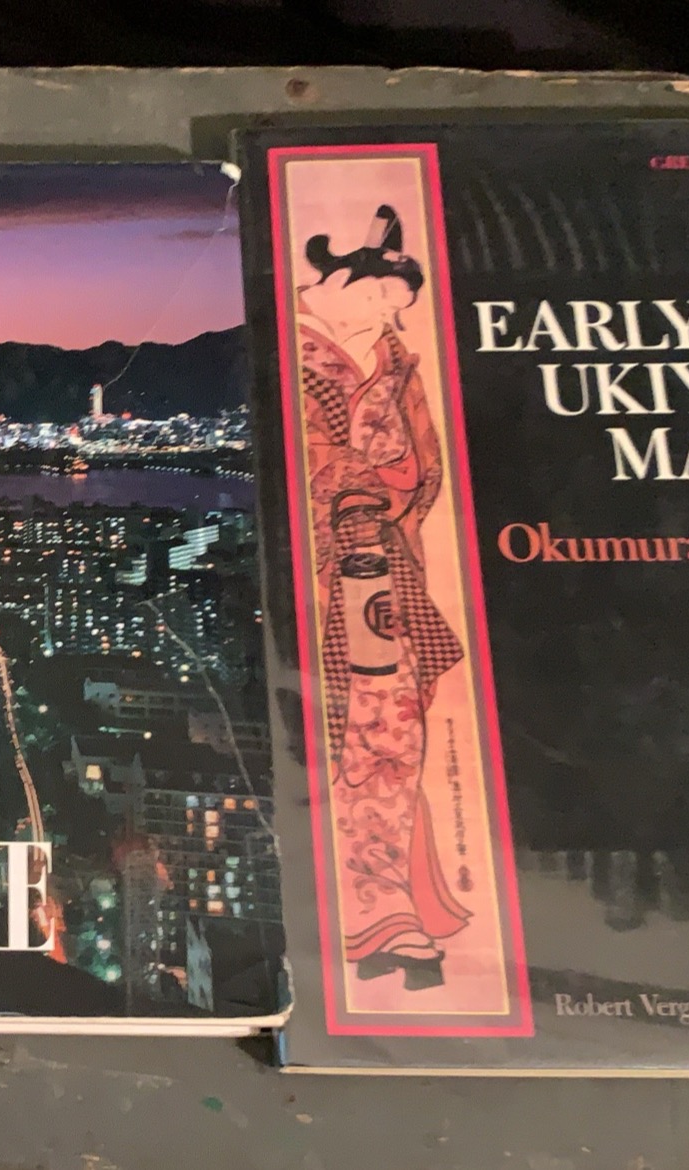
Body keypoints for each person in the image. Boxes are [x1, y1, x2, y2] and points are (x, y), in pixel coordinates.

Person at [292, 205, 470, 991]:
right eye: (377, 298)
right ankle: (374, 916)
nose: (387, 317)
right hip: (338, 575)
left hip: (385, 568)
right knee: (356, 730)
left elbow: (421, 466)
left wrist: (386, 491)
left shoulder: (391, 362)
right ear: (337, 282)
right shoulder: (298, 358)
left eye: (395, 306)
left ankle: (386, 914)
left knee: (391, 733)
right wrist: (358, 494)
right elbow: (319, 463)